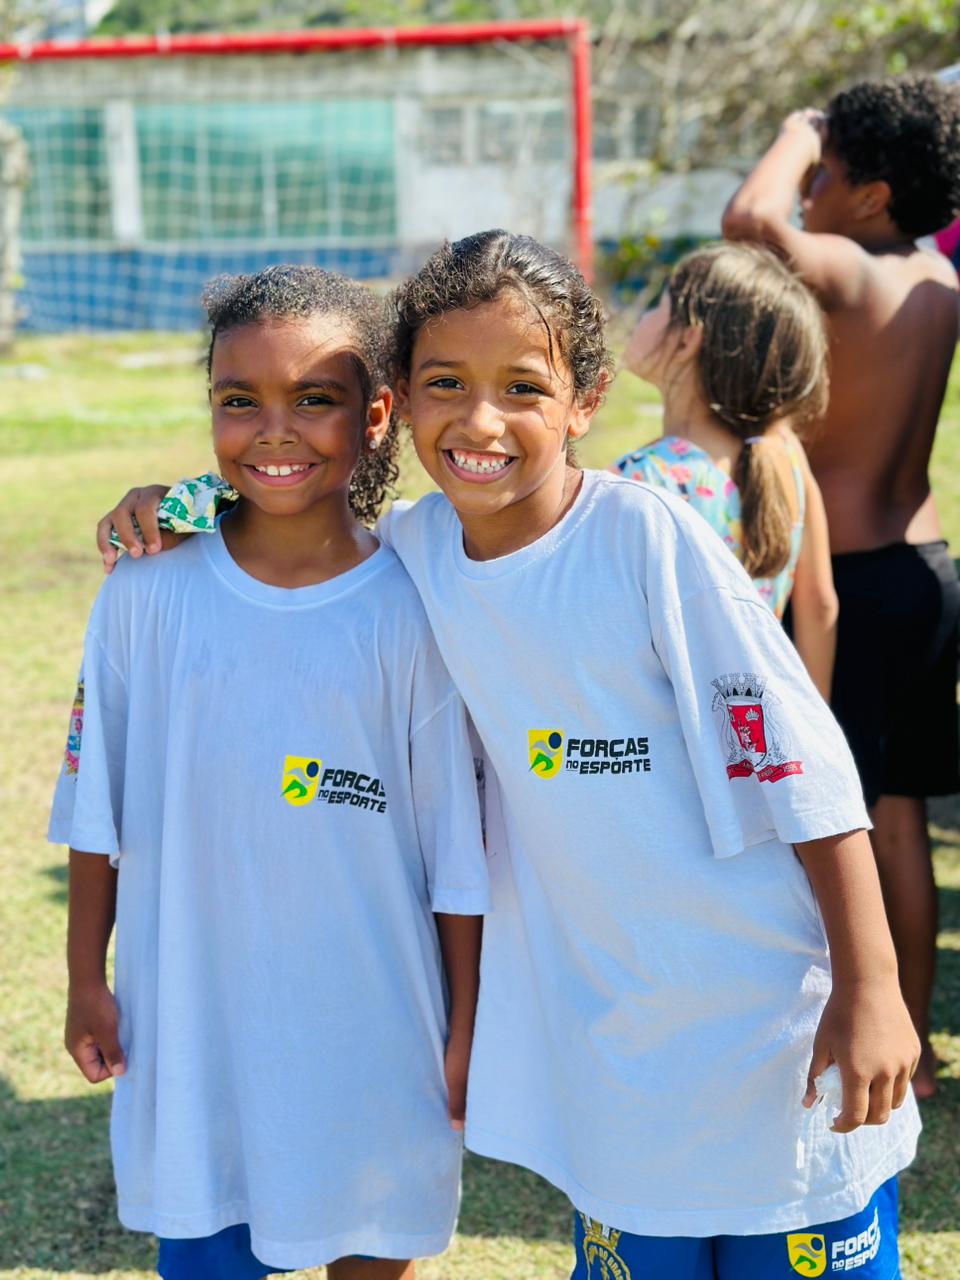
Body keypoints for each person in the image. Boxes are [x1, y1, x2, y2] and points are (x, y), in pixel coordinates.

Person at [98, 232, 920, 1280]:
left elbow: (807, 770)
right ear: (401, 394)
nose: (479, 420)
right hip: (617, 1067)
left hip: (773, 1035)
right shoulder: (421, 549)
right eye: (446, 382)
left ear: (585, 399)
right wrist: (173, 502)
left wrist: (874, 982)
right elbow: (293, 501)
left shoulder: (645, 543)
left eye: (521, 386)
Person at [51, 265, 489, 1280]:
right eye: (239, 401)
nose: (274, 430)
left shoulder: (416, 603)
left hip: (376, 1027)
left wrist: (467, 1025)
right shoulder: (144, 595)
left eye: (316, 399)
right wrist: (85, 976)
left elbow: (455, 854)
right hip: (191, 1022)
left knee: (373, 1250)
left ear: (377, 414)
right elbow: (95, 807)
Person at [722, 74, 960, 1099]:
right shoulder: (939, 287)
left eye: (826, 178)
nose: (808, 191)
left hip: (852, 583)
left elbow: (748, 219)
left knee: (843, 814)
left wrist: (795, 126)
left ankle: (868, 1025)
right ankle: (920, 1032)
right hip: (932, 569)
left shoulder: (852, 272)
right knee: (899, 809)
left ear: (867, 194)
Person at [610, 242, 838, 698]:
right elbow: (820, 606)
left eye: (661, 303)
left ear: (686, 337)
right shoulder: (785, 455)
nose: (648, 314)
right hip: (760, 741)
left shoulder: (640, 480)